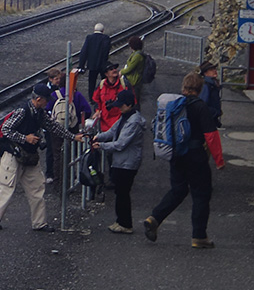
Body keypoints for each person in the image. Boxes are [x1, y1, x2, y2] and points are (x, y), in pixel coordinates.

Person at [0, 83, 84, 231]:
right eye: (46, 99)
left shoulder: (38, 112)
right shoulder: (23, 112)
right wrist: (25, 138)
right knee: (8, 187)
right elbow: (6, 130)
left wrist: (72, 136)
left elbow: (53, 127)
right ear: (38, 99)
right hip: (15, 153)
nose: (47, 102)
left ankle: (39, 223)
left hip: (26, 155)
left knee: (35, 188)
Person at [143, 72, 226, 249]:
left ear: (184, 87)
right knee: (201, 194)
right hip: (196, 156)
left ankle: (155, 217)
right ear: (199, 88)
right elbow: (211, 135)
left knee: (178, 190)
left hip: (176, 154)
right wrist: (219, 160)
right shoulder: (200, 106)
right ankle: (199, 236)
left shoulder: (175, 105)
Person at [92, 88, 146, 233]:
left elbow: (121, 143)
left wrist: (101, 145)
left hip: (128, 162)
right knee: (120, 192)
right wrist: (99, 136)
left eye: (121, 105)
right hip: (122, 161)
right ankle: (121, 221)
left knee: (123, 192)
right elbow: (112, 132)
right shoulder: (125, 117)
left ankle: (126, 224)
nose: (119, 107)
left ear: (129, 105)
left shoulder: (133, 121)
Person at [41, 67, 92, 183]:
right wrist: (76, 120)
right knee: (72, 153)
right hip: (72, 128)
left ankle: (57, 179)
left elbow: (46, 110)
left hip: (56, 128)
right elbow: (87, 111)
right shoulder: (76, 95)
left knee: (56, 154)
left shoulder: (54, 94)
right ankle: (71, 178)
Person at [92, 62, 128, 132]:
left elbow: (132, 102)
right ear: (106, 74)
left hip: (120, 124)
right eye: (111, 69)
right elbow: (96, 100)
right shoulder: (101, 85)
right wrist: (97, 111)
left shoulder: (124, 84)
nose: (114, 70)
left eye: (115, 68)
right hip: (104, 124)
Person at [78, 23, 112, 98]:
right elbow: (106, 51)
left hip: (92, 64)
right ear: (103, 30)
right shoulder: (106, 38)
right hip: (103, 65)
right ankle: (105, 96)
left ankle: (91, 97)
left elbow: (84, 52)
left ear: (94, 30)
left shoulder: (89, 38)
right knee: (105, 81)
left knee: (91, 82)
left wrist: (81, 66)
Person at [120, 36, 146, 102]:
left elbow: (130, 68)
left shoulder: (137, 56)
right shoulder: (137, 53)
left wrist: (121, 72)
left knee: (134, 99)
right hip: (134, 79)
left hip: (134, 80)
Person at [199, 61, 223, 127]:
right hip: (208, 119)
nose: (214, 71)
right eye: (211, 70)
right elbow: (203, 103)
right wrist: (216, 112)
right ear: (205, 73)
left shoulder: (213, 83)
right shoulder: (207, 85)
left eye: (214, 69)